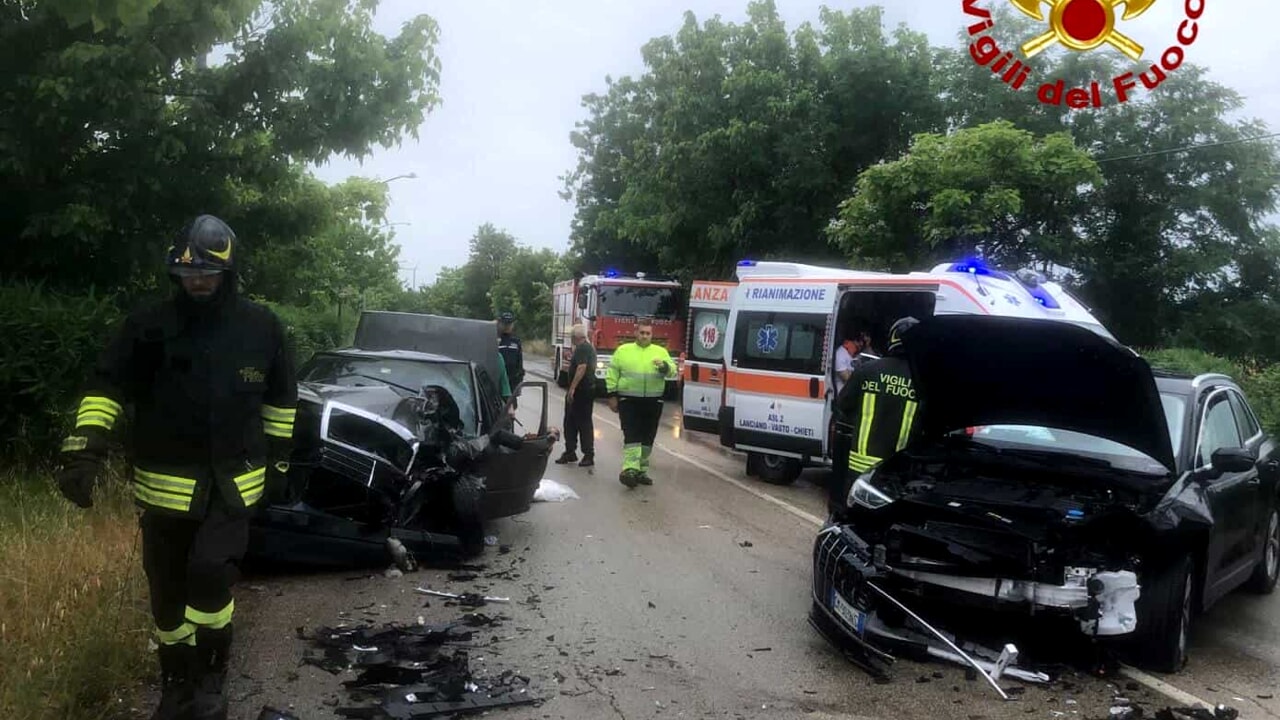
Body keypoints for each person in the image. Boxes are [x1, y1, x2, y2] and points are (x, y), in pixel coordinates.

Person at [54, 215, 297, 720]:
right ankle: (176, 683)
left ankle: (212, 676)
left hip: (235, 485)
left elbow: (281, 403)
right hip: (164, 489)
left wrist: (280, 467)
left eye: (207, 271)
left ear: (228, 270)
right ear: (176, 274)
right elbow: (106, 387)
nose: (198, 280)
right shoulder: (148, 327)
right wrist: (84, 451)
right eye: (188, 273)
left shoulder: (262, 328)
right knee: (167, 592)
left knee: (209, 575)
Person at [829, 316, 920, 515]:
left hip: (860, 465)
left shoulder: (868, 370)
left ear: (892, 339)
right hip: (897, 468)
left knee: (851, 517)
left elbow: (843, 404)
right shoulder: (923, 382)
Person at [605, 318, 677, 488]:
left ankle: (641, 471)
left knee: (648, 437)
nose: (645, 336)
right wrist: (612, 395)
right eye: (642, 333)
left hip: (653, 401)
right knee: (632, 435)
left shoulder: (660, 352)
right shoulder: (623, 351)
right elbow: (612, 373)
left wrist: (665, 367)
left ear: (652, 335)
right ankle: (630, 469)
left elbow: (673, 371)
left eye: (648, 333)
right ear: (635, 333)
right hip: (628, 401)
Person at [554, 324, 596, 467]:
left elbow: (582, 367)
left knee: (583, 423)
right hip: (580, 391)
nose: (570, 339)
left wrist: (572, 389)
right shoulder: (584, 348)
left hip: (582, 392)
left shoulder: (583, 348)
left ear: (576, 337)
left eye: (571, 336)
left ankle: (588, 454)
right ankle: (570, 451)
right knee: (570, 422)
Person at [833, 326, 874, 396]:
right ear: (853, 341)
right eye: (859, 344)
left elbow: (873, 359)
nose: (860, 347)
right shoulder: (840, 355)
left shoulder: (854, 355)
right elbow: (847, 378)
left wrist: (867, 346)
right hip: (842, 394)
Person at [497, 311, 524, 407]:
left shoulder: (516, 341)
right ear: (500, 323)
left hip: (512, 383)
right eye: (505, 323)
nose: (507, 326)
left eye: (509, 323)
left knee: (510, 411)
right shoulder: (495, 340)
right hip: (497, 383)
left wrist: (519, 380)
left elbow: (519, 363)